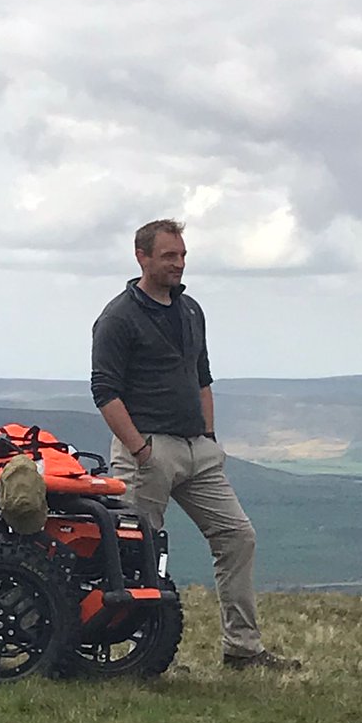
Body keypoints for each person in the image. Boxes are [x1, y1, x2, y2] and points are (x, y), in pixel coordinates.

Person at [90, 219, 299, 670]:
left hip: (196, 450)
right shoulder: (117, 317)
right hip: (148, 450)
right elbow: (105, 392)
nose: (179, 264)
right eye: (169, 256)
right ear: (141, 257)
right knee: (135, 551)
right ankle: (141, 654)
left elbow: (202, 377)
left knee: (237, 536)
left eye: (182, 255)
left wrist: (208, 438)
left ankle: (242, 649)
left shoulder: (190, 310)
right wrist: (141, 451)